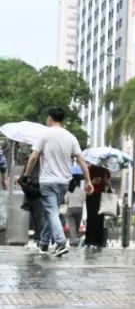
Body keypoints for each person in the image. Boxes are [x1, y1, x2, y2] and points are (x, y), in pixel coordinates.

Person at [23, 108, 94, 257]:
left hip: (47, 181)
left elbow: (34, 157)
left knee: (51, 212)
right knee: (52, 212)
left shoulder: (44, 134)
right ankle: (43, 243)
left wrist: (26, 175)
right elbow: (81, 160)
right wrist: (88, 181)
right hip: (64, 182)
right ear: (62, 120)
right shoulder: (71, 137)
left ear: (50, 118)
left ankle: (61, 243)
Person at [83, 164, 112, 249]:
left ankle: (94, 241)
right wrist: (93, 182)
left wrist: (106, 182)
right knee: (93, 218)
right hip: (92, 194)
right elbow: (86, 184)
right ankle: (93, 241)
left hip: (99, 195)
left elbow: (107, 183)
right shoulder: (91, 169)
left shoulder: (103, 170)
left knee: (98, 218)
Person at [66, 174, 86, 247]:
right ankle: (74, 239)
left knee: (72, 225)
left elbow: (66, 200)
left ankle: (73, 240)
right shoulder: (82, 191)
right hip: (79, 209)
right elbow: (84, 200)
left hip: (70, 208)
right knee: (77, 225)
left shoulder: (69, 190)